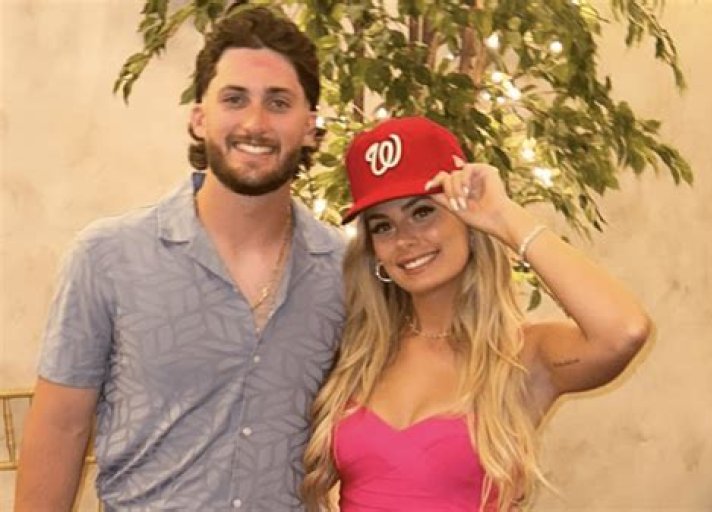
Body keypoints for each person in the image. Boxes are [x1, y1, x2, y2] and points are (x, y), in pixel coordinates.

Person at [15, 5, 345, 511]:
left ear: (310, 126)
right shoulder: (108, 257)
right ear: (199, 117)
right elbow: (61, 427)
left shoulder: (346, 270)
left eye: (279, 103)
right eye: (234, 99)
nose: (255, 122)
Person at [302, 116, 651, 511]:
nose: (405, 240)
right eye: (383, 226)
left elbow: (625, 331)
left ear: (467, 220)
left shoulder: (521, 357)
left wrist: (503, 215)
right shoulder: (358, 351)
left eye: (422, 212)